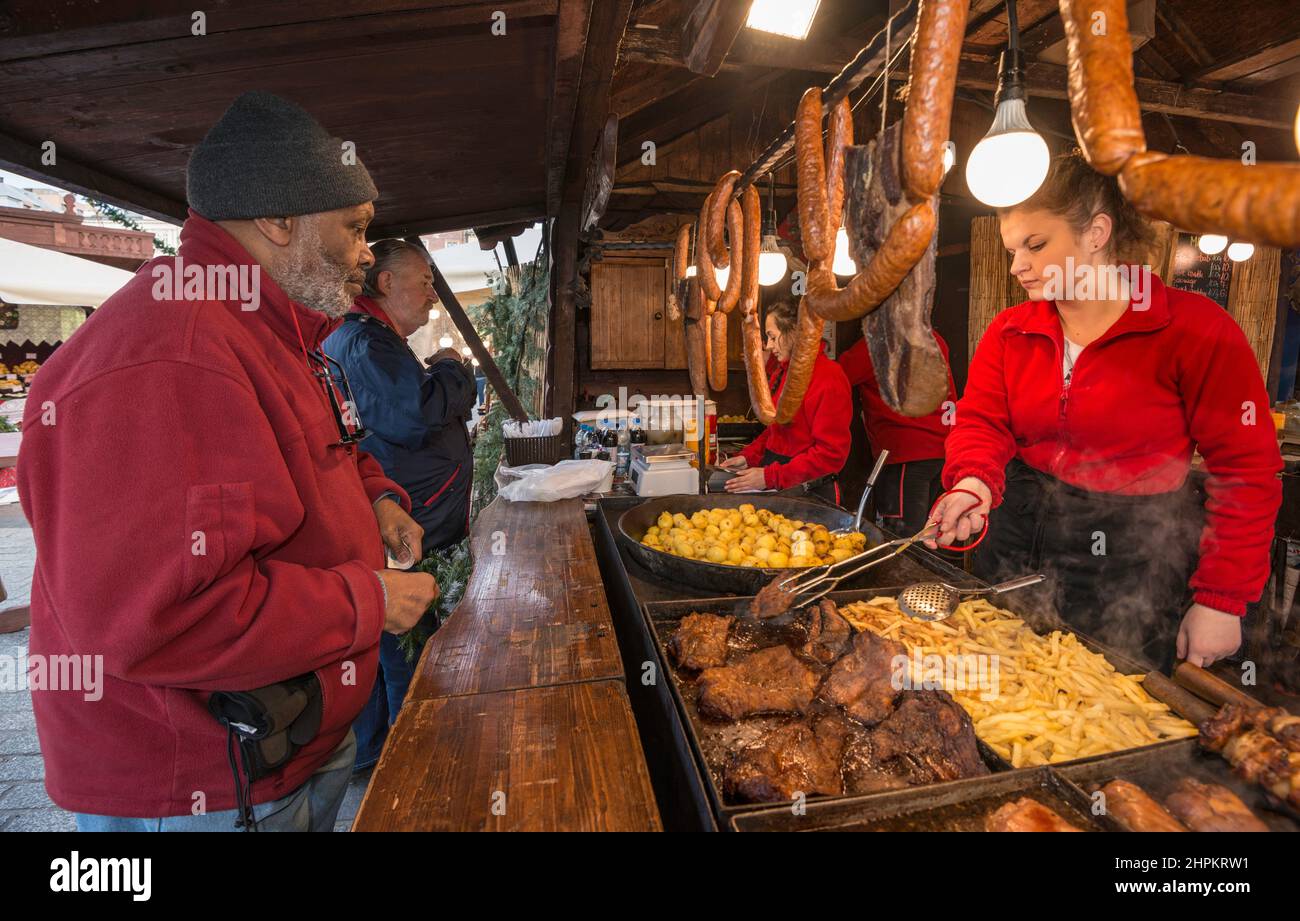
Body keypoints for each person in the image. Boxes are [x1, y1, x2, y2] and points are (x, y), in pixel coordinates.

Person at [17, 91, 439, 831]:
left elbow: (315, 452)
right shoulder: (172, 355)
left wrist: (376, 497)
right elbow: (163, 617)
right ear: (279, 220)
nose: (366, 254)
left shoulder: (265, 328)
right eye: (354, 227)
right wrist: (367, 602)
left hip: (289, 748)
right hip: (206, 785)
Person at [930, 151, 1281, 671]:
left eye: (1035, 244)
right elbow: (983, 422)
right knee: (996, 685)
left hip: (1134, 552)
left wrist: (1221, 600)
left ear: (1096, 232)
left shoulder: (1195, 330)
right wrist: (973, 483)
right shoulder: (1010, 331)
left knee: (1109, 700)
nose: (1017, 266)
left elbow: (1246, 470)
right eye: (1011, 249)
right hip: (1015, 532)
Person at [323, 238, 476, 770]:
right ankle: (404, 765)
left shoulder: (373, 339)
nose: (433, 292)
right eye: (426, 279)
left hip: (408, 520)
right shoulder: (368, 344)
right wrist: (453, 368)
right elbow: (414, 415)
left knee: (393, 649)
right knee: (399, 648)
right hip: (405, 530)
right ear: (386, 284)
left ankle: (382, 754)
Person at [720, 300, 852, 503]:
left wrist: (770, 477)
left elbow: (831, 454)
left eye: (772, 336)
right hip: (778, 484)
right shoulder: (782, 372)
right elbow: (775, 431)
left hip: (811, 491)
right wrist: (748, 457)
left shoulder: (830, 377)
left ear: (794, 333)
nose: (769, 345)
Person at [838, 330, 957, 534]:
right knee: (925, 536)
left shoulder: (879, 342)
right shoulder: (934, 337)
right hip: (941, 450)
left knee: (902, 539)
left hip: (906, 455)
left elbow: (837, 375)